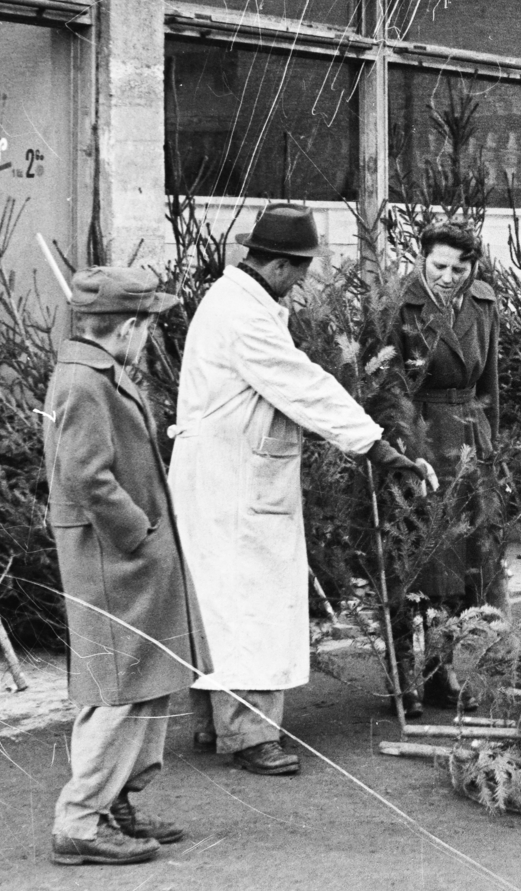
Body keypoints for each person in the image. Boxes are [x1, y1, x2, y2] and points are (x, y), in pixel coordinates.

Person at [168, 203, 435, 776]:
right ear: (280, 265)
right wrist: (375, 445)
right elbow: (303, 385)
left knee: (223, 604)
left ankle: (217, 724)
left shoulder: (238, 301)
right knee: (250, 606)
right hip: (233, 482)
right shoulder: (242, 314)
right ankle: (248, 736)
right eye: (302, 270)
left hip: (227, 476)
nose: (302, 283)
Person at [43, 266, 207, 867]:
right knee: (118, 686)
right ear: (127, 327)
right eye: (148, 325)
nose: (149, 336)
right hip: (114, 556)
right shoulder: (84, 382)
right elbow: (86, 475)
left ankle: (116, 802)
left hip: (126, 555)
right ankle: (81, 821)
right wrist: (137, 533)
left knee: (144, 678)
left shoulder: (96, 372)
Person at [391, 221, 506, 716]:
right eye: (439, 266)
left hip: (469, 441)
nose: (448, 277)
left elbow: (491, 383)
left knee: (466, 562)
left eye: (460, 269)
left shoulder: (483, 303)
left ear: (472, 267)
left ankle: (442, 670)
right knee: (416, 560)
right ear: (422, 259)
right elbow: (387, 389)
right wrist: (397, 454)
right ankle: (404, 675)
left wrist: (490, 449)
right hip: (419, 439)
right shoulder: (399, 305)